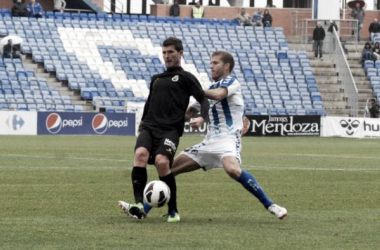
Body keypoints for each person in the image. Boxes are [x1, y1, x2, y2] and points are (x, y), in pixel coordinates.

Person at [119, 51, 287, 221]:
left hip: (227, 139)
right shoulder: (206, 90)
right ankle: (142, 211)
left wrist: (191, 87)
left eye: (215, 63)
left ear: (226, 66)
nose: (211, 66)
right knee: (168, 169)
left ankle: (271, 205)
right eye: (211, 63)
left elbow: (219, 95)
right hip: (208, 142)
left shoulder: (231, 82)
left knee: (232, 169)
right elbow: (187, 113)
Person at [118, 37, 209, 223]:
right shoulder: (156, 79)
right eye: (164, 53)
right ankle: (137, 203)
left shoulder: (186, 78)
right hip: (149, 126)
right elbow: (149, 102)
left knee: (162, 162)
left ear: (180, 53)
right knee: (140, 155)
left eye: (170, 52)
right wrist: (142, 124)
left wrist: (202, 118)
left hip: (170, 130)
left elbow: (204, 99)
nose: (167, 56)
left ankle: (173, 210)